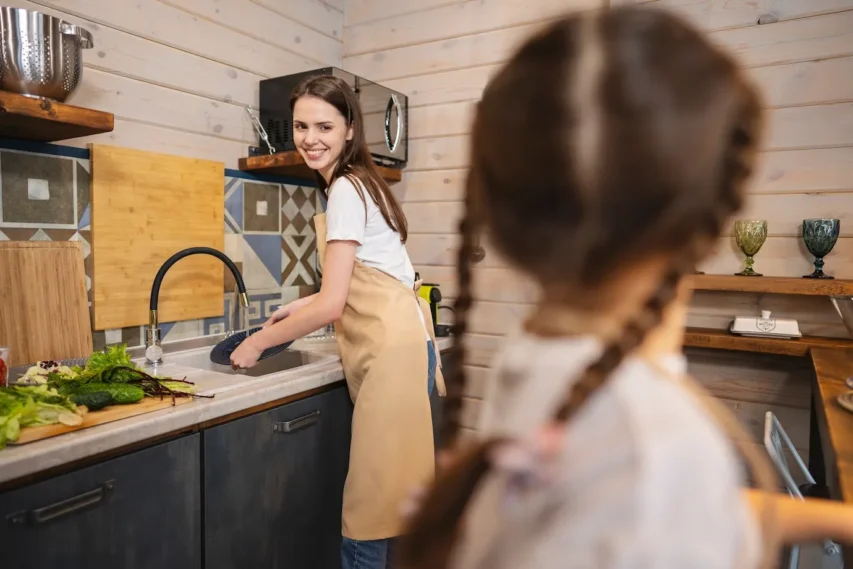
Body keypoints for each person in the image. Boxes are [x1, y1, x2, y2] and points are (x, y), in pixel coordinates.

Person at [395, 6, 853, 569]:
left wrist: (838, 519)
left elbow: (661, 510)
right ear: (712, 221)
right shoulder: (655, 444)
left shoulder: (539, 355)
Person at [229, 75, 445, 569]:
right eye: (301, 126)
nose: (310, 138)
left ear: (350, 130)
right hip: (406, 345)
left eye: (324, 126)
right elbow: (351, 286)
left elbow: (333, 305)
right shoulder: (364, 183)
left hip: (389, 355)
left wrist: (259, 341)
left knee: (369, 513)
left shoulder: (346, 189)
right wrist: (295, 309)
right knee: (393, 504)